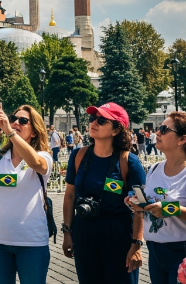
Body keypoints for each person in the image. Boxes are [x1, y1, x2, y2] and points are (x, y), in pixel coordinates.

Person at [62, 102, 146, 284]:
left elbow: (140, 204)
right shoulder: (78, 156)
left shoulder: (129, 161)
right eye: (92, 118)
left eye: (101, 120)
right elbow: (70, 195)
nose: (93, 123)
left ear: (116, 130)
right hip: (84, 230)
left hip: (117, 232)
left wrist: (137, 244)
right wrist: (67, 231)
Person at [126, 112, 186, 284]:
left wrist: (171, 209)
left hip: (183, 251)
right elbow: (152, 204)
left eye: (164, 129)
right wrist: (140, 204)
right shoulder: (155, 168)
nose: (157, 133)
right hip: (155, 250)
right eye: (159, 128)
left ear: (182, 139)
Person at [0, 104, 53, 284]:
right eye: (13, 118)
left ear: (34, 132)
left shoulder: (44, 156)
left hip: (31, 243)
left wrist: (10, 132)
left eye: (23, 121)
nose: (15, 122)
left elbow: (36, 163)